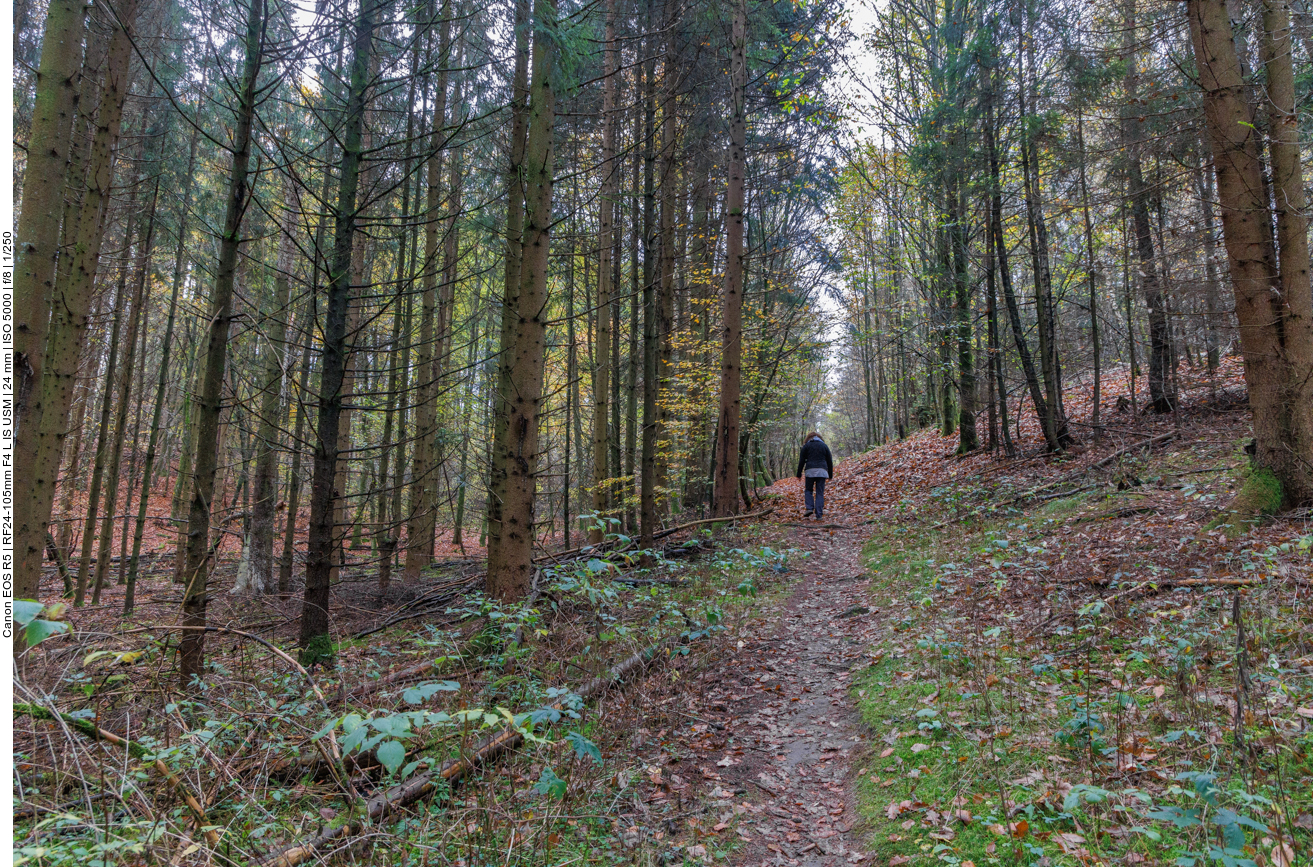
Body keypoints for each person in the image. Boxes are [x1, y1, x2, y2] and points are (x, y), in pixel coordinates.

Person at [795, 431, 834, 520]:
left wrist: (799, 474)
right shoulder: (824, 446)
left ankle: (809, 508)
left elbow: (801, 461)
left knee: (808, 490)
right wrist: (830, 475)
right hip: (822, 471)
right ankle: (819, 515)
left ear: (808, 438)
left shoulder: (806, 446)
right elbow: (829, 461)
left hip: (810, 470)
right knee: (819, 493)